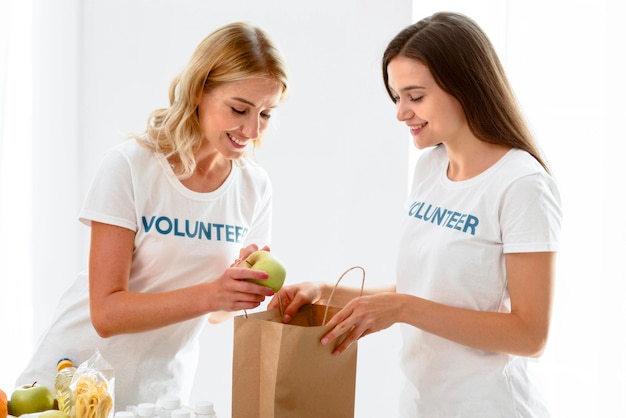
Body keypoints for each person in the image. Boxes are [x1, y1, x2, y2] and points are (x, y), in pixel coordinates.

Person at [268, 11, 562, 417]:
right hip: (422, 404)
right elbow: (428, 291)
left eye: (416, 96)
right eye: (397, 96)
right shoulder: (429, 168)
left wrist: (404, 309)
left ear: (466, 87)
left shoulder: (521, 185)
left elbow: (530, 335)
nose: (401, 112)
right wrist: (326, 292)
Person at [17, 22, 288, 409]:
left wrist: (234, 294)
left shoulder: (254, 187)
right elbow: (106, 312)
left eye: (265, 113)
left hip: (159, 397)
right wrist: (212, 293)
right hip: (69, 388)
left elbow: (211, 316)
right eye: (239, 109)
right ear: (199, 91)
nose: (251, 129)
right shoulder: (131, 166)